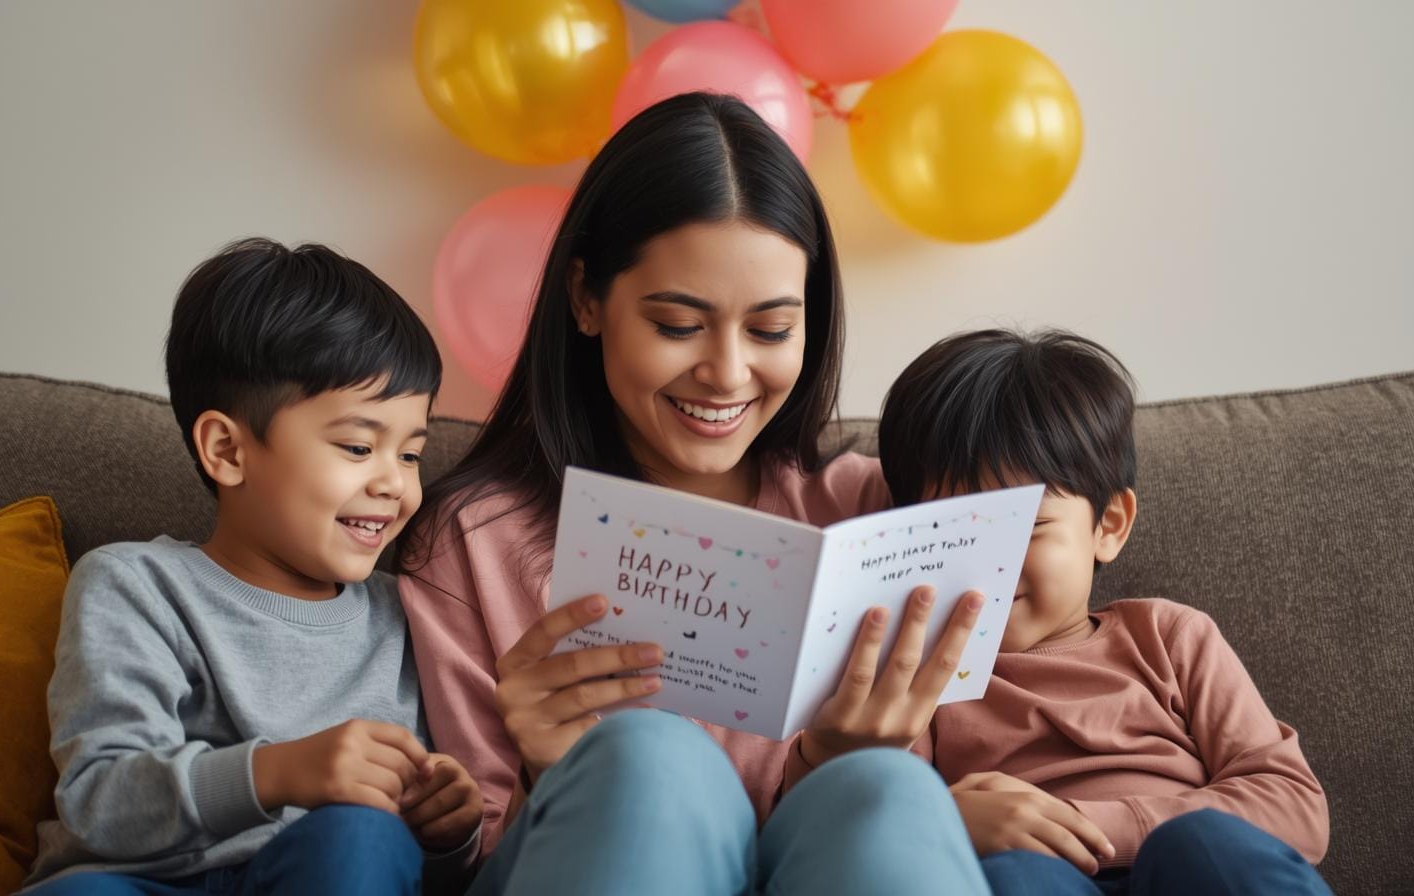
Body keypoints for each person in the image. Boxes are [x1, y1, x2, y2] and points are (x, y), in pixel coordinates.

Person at [398, 92, 989, 894]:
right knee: (650, 756)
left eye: (772, 329)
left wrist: (834, 759)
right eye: (679, 325)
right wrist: (544, 774)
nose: (728, 373)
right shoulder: (476, 539)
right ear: (585, 299)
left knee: (888, 788)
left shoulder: (870, 509)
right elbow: (445, 860)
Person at [23, 239, 482, 895]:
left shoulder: (409, 615)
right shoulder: (134, 586)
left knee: (364, 836)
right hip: (145, 881)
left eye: (410, 454)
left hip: (320, 873)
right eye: (358, 445)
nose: (394, 484)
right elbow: (101, 804)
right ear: (226, 450)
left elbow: (405, 870)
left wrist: (447, 835)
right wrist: (277, 772)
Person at [879, 328, 1332, 895]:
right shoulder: (920, 678)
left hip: (1184, 871)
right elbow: (885, 823)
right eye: (951, 534)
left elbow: (1293, 804)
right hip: (1034, 878)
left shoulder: (1170, 636)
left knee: (1205, 844)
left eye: (1024, 529)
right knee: (1017, 877)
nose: (988, 565)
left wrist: (1097, 827)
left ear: (1109, 525)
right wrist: (951, 820)